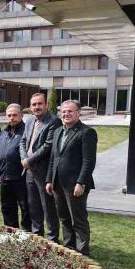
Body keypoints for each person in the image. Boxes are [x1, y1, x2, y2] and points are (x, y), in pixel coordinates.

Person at [46, 100, 97, 256]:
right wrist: (49, 180)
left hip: (75, 185)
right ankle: (69, 249)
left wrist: (81, 182)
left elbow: (89, 161)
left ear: (78, 112)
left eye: (70, 111)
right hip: (57, 183)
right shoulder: (58, 131)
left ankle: (82, 253)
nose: (66, 114)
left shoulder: (87, 132)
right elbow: (53, 158)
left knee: (78, 220)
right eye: (63, 111)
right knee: (64, 218)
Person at [20, 92, 60, 242]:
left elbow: (47, 146)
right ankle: (37, 235)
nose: (36, 107)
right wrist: (24, 158)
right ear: (30, 107)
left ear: (46, 105)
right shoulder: (30, 120)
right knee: (34, 205)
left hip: (43, 171)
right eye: (34, 104)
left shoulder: (54, 121)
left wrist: (29, 160)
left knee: (47, 206)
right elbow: (23, 141)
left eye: (39, 104)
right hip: (29, 170)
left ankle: (52, 238)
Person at [0, 104, 31, 230]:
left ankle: (27, 232)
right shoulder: (3, 133)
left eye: (15, 115)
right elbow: (0, 154)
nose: (11, 118)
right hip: (5, 176)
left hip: (21, 176)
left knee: (25, 207)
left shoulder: (28, 131)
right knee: (7, 206)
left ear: (21, 115)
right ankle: (11, 231)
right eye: (9, 115)